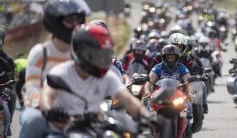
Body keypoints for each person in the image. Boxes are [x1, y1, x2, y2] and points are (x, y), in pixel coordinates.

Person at [20, 24, 153, 137]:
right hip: (62, 129)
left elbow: (128, 100)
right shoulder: (62, 72)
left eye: (105, 54)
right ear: (80, 52)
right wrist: (50, 110)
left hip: (93, 128)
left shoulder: (107, 77)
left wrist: (147, 115)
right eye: (97, 54)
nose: (102, 59)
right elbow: (47, 94)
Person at [21, 0, 90, 130]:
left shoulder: (83, 53)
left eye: (79, 19)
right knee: (33, 120)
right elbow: (33, 86)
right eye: (70, 19)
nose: (76, 24)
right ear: (54, 21)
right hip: (41, 110)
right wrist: (48, 109)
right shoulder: (41, 52)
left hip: (75, 111)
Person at [0, 29, 16, 135]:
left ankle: (8, 124)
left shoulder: (6, 60)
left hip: (1, 88)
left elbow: (10, 75)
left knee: (12, 95)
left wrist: (8, 82)